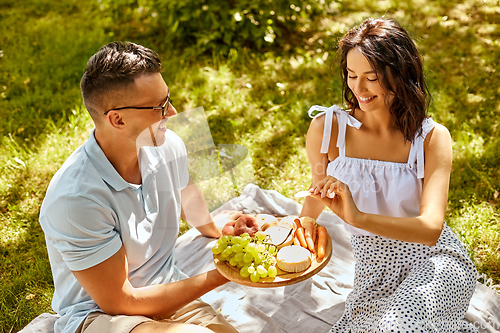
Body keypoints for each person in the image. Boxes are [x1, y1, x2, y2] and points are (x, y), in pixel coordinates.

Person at [39, 42, 238, 333]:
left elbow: (187, 194)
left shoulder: (167, 145)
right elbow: (121, 301)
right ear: (117, 119)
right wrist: (220, 276)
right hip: (101, 314)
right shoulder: (75, 200)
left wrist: (215, 229)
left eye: (167, 99)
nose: (172, 111)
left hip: (165, 290)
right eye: (159, 106)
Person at [299, 18, 478, 332]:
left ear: (401, 74)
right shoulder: (326, 129)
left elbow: (430, 229)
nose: (359, 88)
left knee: (397, 327)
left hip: (436, 259)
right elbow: (319, 189)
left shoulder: (432, 139)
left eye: (371, 77)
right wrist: (303, 227)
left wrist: (358, 217)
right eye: (352, 76)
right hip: (373, 269)